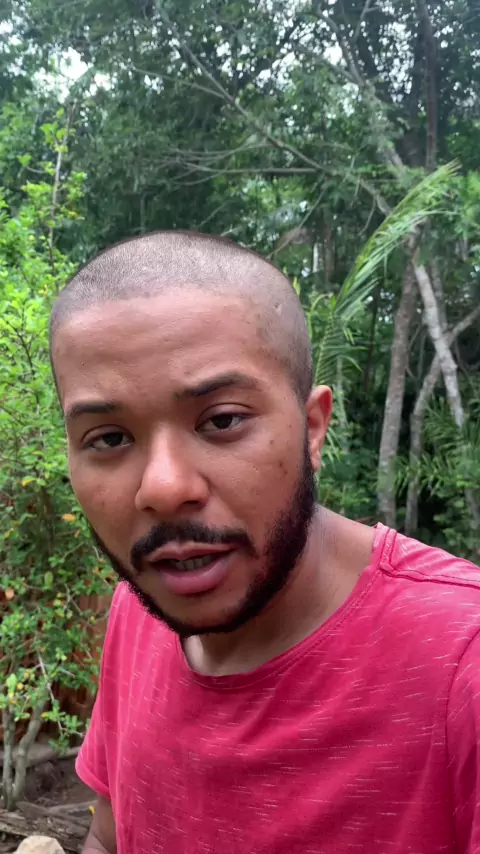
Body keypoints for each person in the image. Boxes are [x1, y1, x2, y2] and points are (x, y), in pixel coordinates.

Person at [49, 230, 480, 854]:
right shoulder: (140, 611)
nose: (163, 488)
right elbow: (108, 836)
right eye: (110, 438)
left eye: (222, 421)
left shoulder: (461, 665)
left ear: (312, 428)